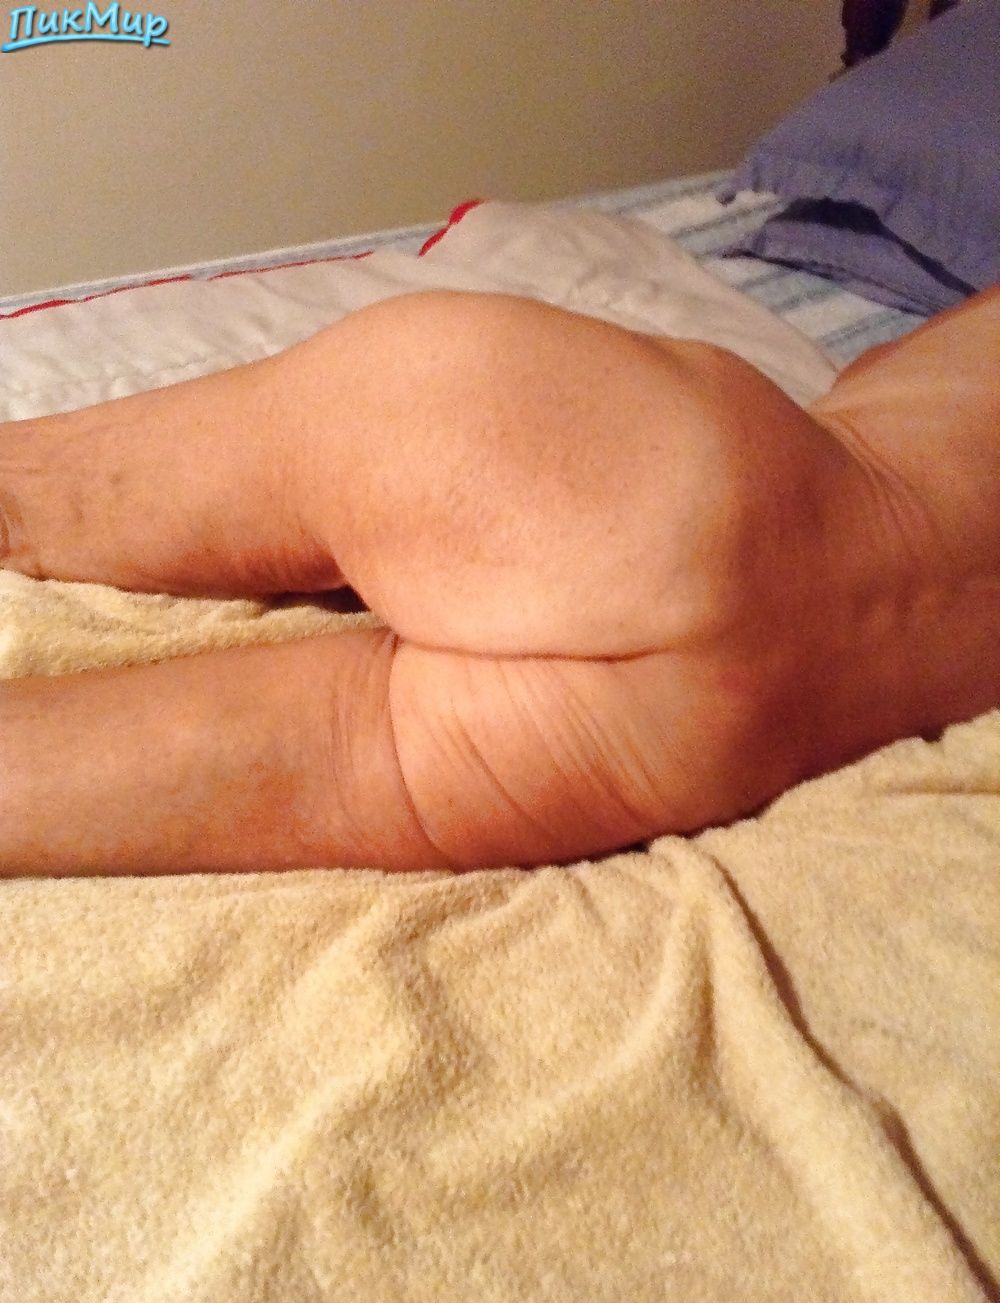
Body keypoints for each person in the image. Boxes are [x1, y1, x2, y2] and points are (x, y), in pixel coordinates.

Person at [1, 285, 997, 876]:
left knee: (31, 494)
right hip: (738, 720)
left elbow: (879, 370)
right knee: (342, 752)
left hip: (697, 488)